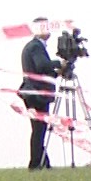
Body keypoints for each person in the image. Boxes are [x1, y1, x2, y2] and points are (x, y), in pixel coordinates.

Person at [20, 17, 60, 169]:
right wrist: (58, 64)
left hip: (32, 92)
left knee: (39, 129)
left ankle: (43, 162)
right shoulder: (36, 46)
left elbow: (41, 70)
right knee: (39, 130)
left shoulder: (33, 46)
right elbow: (42, 65)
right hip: (36, 94)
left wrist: (57, 72)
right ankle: (36, 163)